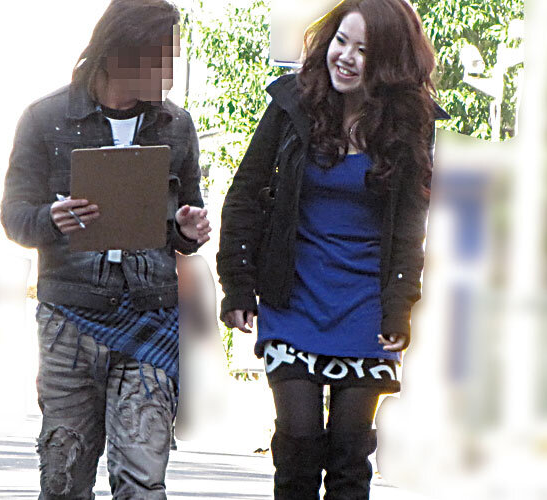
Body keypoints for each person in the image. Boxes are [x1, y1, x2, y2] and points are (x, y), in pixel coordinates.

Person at [216, 0, 448, 498]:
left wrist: (400, 306)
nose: (346, 56)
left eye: (363, 50)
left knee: (348, 452)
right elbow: (245, 194)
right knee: (298, 443)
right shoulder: (292, 105)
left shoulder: (411, 125)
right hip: (293, 297)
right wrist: (237, 283)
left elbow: (411, 225)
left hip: (366, 306)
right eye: (341, 41)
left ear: (388, 62)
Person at [0, 1, 210, 498]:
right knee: (64, 479)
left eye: (173, 58)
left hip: (150, 318)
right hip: (69, 320)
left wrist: (189, 229)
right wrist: (50, 219)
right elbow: (15, 217)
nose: (169, 72)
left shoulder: (176, 126)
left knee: (142, 482)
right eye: (160, 59)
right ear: (120, 53)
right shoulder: (46, 120)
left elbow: (187, 217)